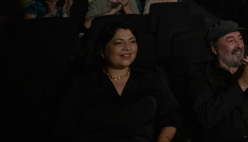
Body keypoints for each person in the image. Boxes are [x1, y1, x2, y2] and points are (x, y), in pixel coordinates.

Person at [51, 22, 180, 142]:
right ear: (102, 51)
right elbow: (64, 127)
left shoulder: (153, 77)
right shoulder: (84, 83)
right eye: (119, 43)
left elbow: (172, 115)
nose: (127, 47)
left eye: (132, 41)